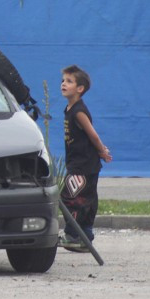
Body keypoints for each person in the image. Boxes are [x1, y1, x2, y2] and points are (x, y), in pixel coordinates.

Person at [58, 64, 112, 253]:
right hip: (78, 164)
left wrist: (102, 151)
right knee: (86, 199)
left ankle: (75, 235)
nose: (64, 84)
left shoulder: (79, 111)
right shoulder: (69, 108)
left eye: (69, 81)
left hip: (84, 166)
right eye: (63, 80)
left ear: (80, 89)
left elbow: (93, 135)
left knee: (69, 198)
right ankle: (84, 237)